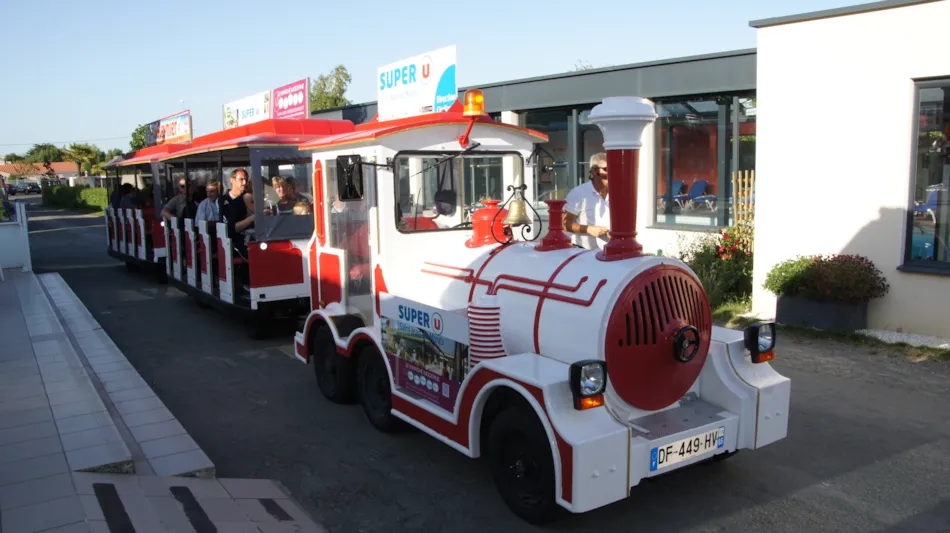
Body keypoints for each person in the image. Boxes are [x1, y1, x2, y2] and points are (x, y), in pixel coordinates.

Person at [563, 152, 610, 250]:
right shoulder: (578, 193)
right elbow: (564, 224)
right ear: (594, 171)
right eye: (606, 169)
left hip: (610, 253)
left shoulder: (617, 194)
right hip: (583, 253)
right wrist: (588, 229)